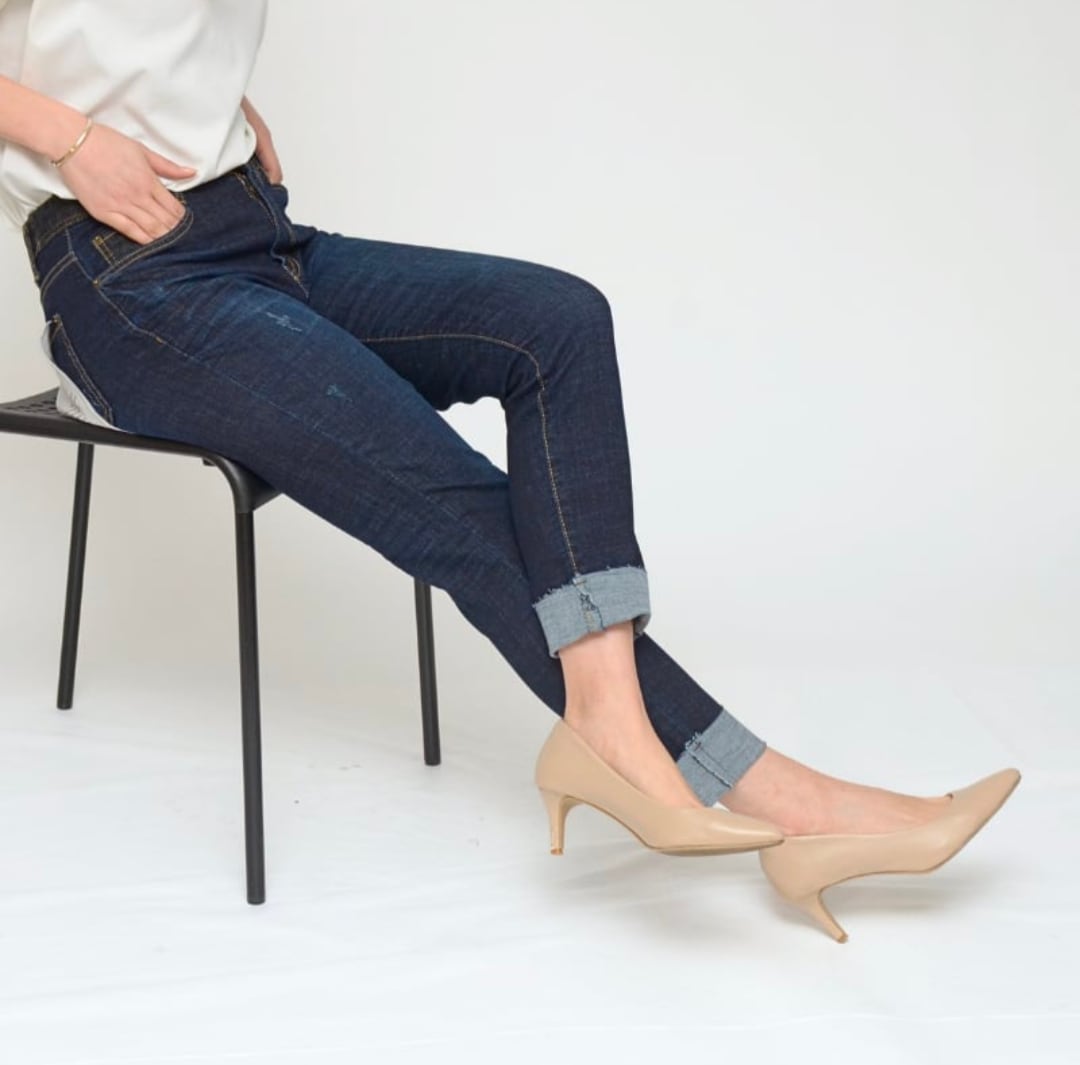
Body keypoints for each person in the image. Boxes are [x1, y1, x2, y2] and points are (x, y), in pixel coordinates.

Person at [0, 0, 1019, 941]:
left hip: (254, 234)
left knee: (554, 322)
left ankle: (607, 718)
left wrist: (218, 106)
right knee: (458, 505)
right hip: (124, 278)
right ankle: (789, 804)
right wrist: (75, 140)